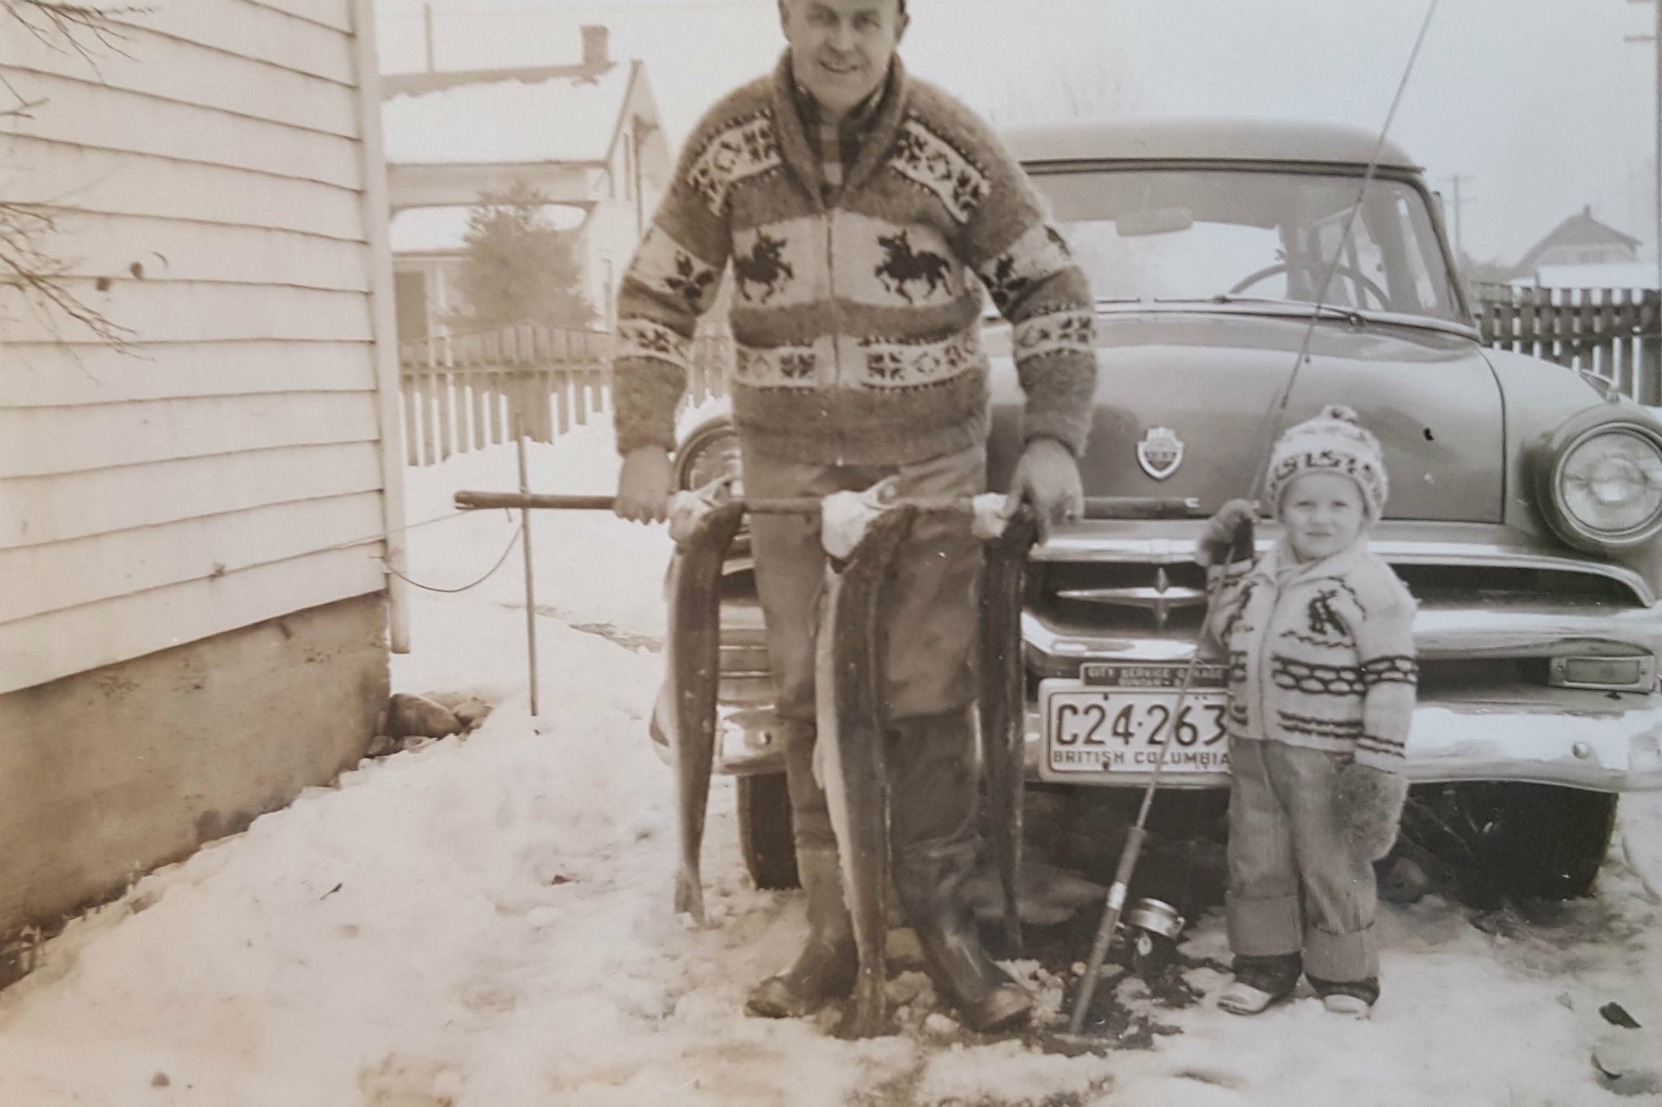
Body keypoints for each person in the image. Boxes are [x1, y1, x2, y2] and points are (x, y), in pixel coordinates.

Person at [610, 0, 1098, 1033]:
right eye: (821, 14)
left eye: (865, 17)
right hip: (788, 463)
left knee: (924, 696)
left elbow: (1049, 284)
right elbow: (658, 295)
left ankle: (944, 924)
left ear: (900, 24)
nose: (842, 39)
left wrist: (1053, 432)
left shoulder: (951, 144)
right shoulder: (728, 143)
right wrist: (644, 440)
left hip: (925, 461)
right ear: (787, 16)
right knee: (809, 697)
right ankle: (835, 931)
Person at [1195, 404, 1418, 1019]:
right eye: (1303, 504)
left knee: (1330, 860)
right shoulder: (1261, 577)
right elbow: (1218, 640)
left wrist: (1378, 761)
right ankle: (1265, 965)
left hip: (1328, 755)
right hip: (1253, 745)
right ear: (1279, 508)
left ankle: (1345, 976)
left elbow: (1393, 681)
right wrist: (1224, 566)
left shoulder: (1370, 588)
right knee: (1256, 856)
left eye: (1338, 505)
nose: (1320, 518)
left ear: (1365, 512)